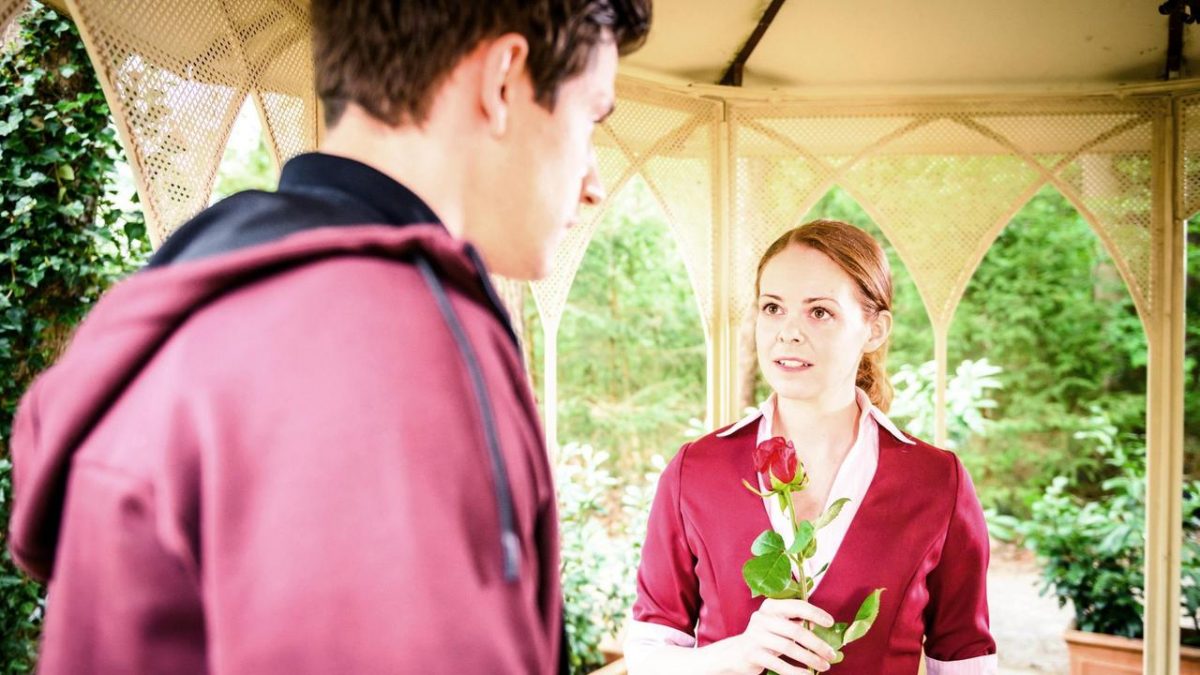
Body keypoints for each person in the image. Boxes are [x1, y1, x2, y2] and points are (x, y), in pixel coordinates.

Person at [7, 1, 650, 673]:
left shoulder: (209, 311)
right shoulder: (384, 344)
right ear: (502, 80)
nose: (594, 184)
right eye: (591, 117)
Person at [624, 220, 997, 674]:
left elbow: (964, 661)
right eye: (773, 308)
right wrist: (738, 653)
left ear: (875, 329)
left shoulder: (938, 482)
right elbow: (646, 658)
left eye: (819, 312)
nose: (788, 332)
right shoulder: (696, 471)